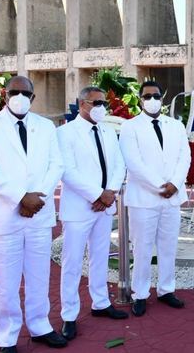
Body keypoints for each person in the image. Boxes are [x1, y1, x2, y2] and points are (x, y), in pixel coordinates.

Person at [0, 76, 66, 352]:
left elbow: (56, 164)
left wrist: (38, 197)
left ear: (33, 98)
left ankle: (40, 326)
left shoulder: (45, 126)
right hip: (6, 216)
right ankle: (8, 336)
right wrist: (20, 197)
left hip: (39, 212)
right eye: (15, 92)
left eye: (26, 93)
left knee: (39, 277)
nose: (20, 97)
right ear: (5, 95)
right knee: (7, 283)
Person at [57, 87, 128, 341]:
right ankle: (69, 314)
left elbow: (119, 164)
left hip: (105, 205)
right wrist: (97, 194)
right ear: (82, 103)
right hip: (79, 207)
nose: (101, 106)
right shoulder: (65, 133)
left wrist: (110, 193)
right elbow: (67, 170)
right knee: (73, 262)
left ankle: (100, 303)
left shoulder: (108, 130)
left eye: (103, 102)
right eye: (95, 102)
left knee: (100, 256)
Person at [119, 81, 191, 317]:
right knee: (142, 248)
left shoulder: (176, 126)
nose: (152, 100)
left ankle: (166, 289)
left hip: (171, 197)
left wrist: (175, 184)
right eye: (147, 96)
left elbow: (185, 157)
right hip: (144, 198)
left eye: (156, 95)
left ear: (163, 98)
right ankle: (140, 293)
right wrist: (161, 186)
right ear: (140, 100)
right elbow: (134, 162)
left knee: (168, 246)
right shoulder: (130, 127)